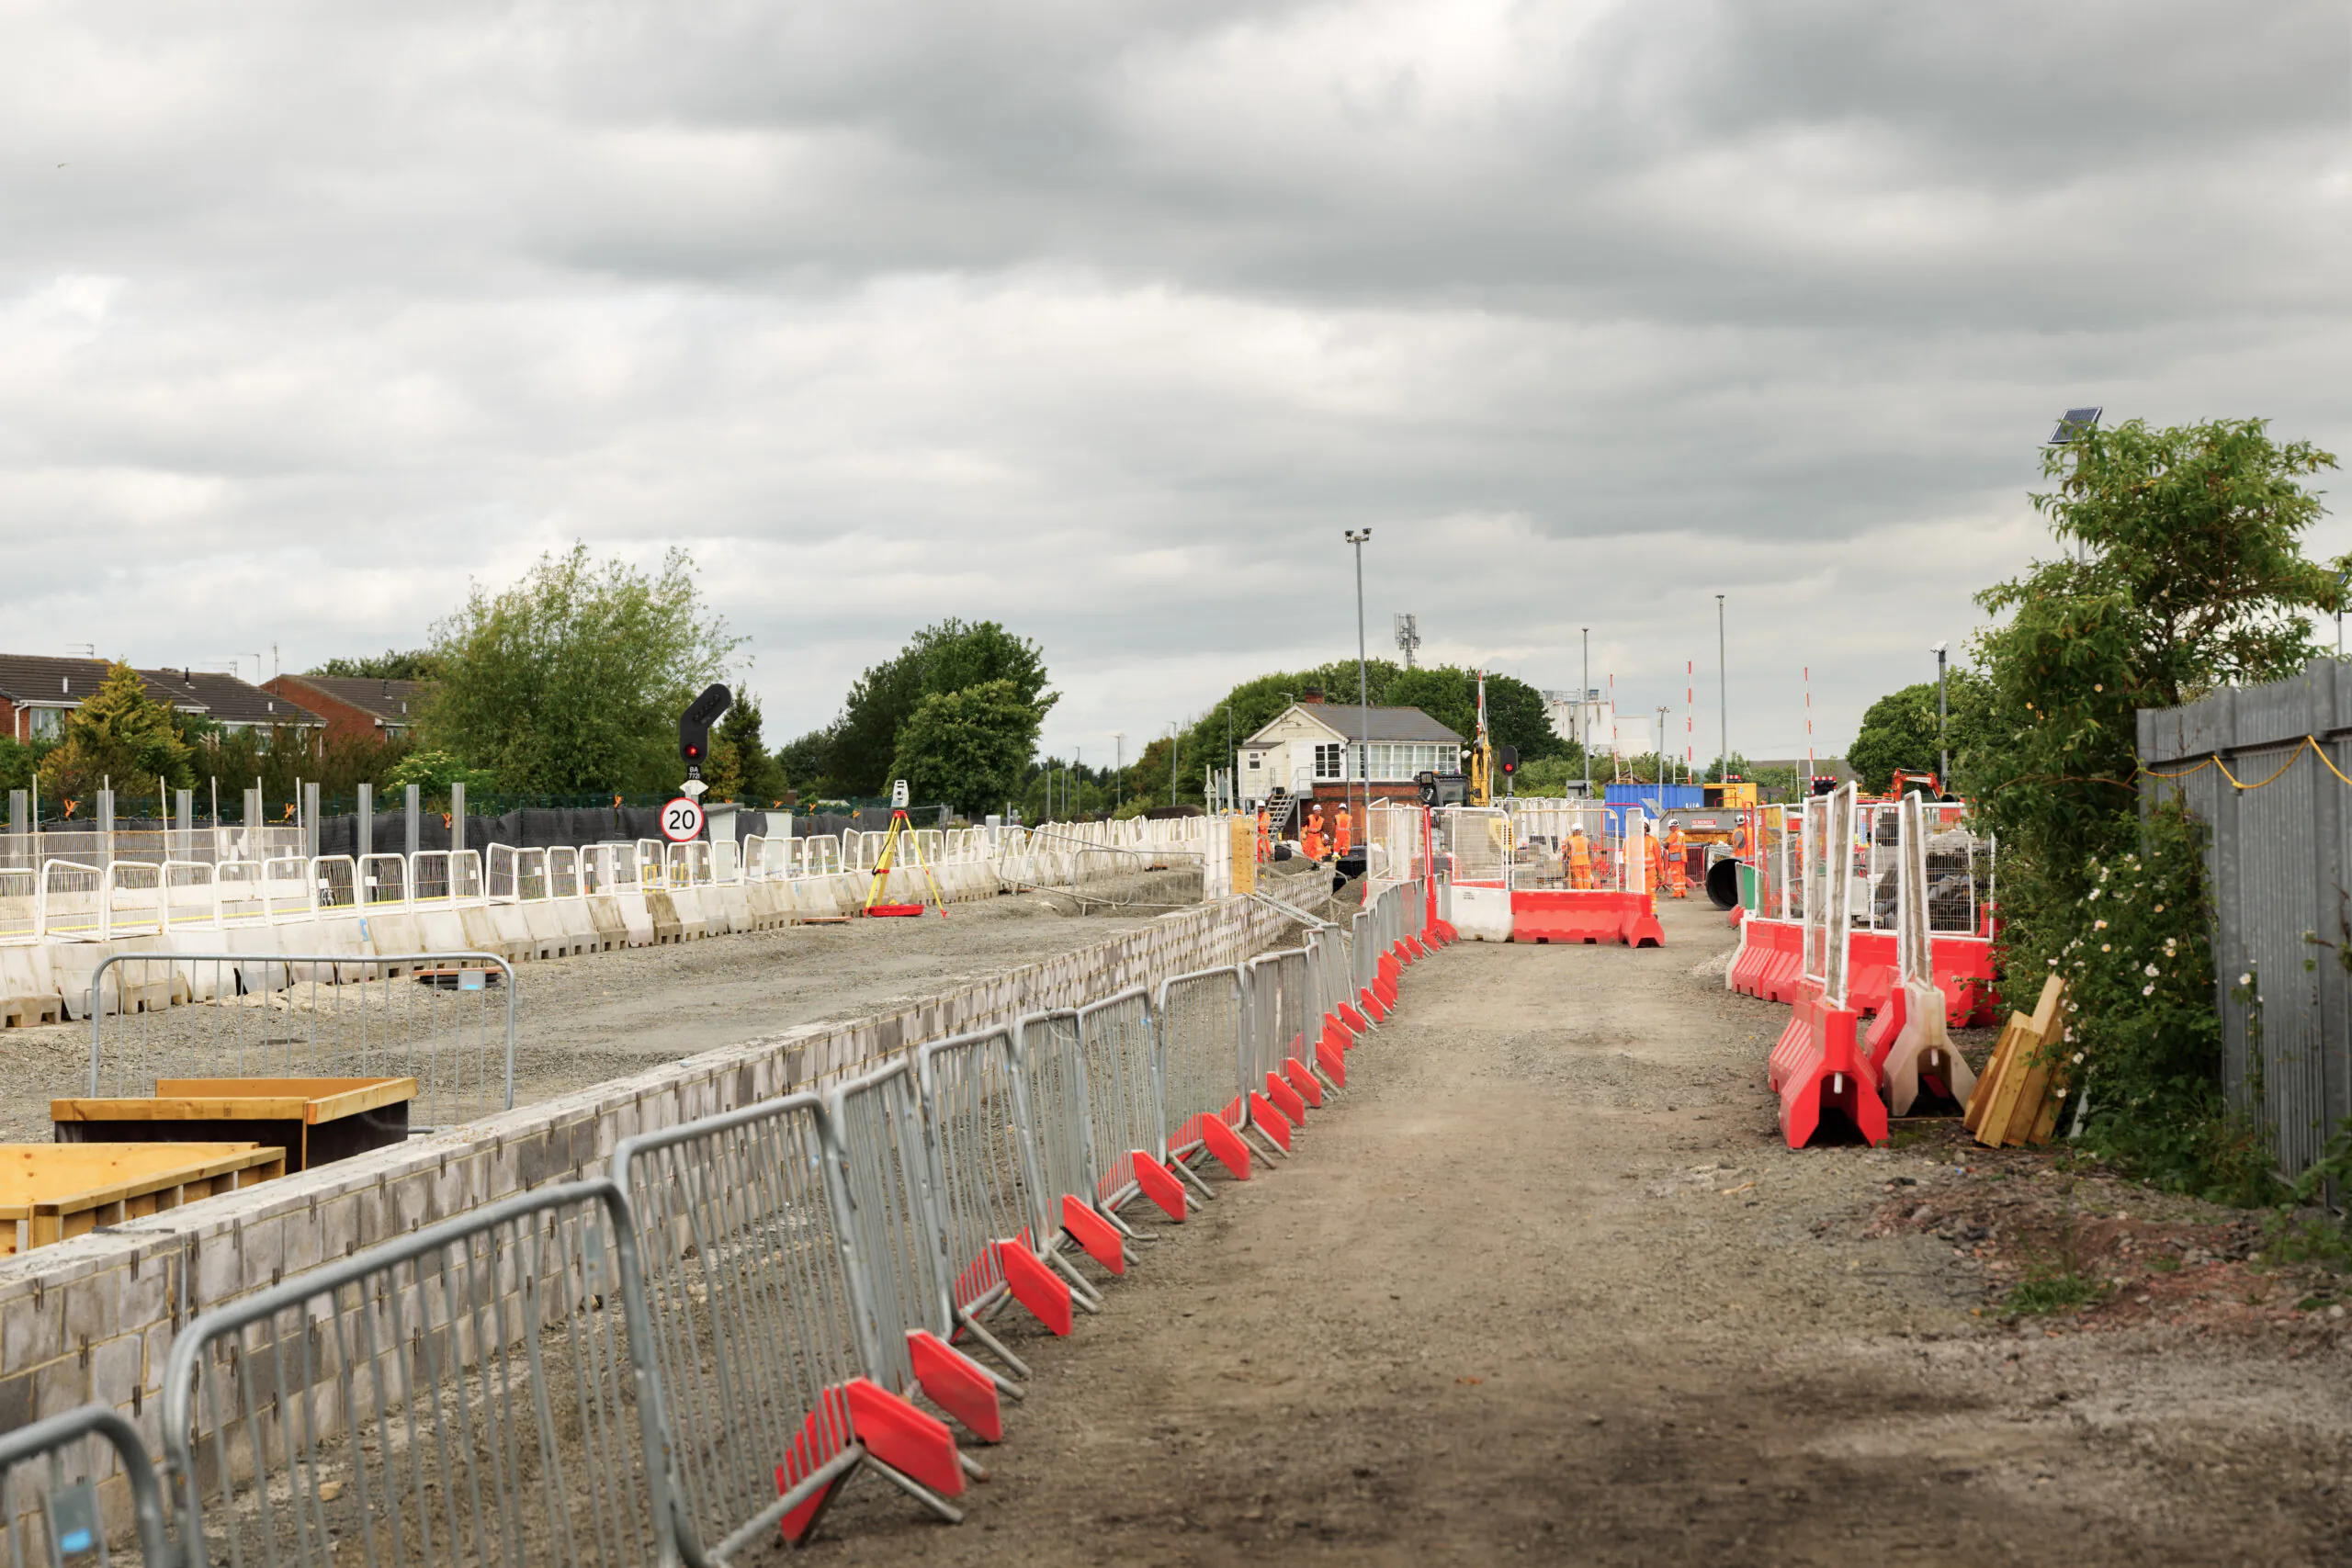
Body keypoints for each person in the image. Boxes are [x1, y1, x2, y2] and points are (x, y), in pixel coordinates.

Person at [1666, 818, 1690, 898]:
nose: (1670, 829)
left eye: (1670, 827)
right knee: (1681, 875)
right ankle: (1683, 892)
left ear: (1673, 826)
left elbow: (1666, 844)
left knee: (1675, 875)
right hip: (1682, 857)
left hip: (1675, 856)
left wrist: (1663, 843)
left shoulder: (1674, 834)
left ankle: (1677, 893)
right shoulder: (1682, 834)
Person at [1566, 825, 1593, 890]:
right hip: (1586, 863)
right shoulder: (1586, 840)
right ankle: (1587, 892)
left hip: (1575, 864)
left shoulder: (1571, 841)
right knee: (1586, 878)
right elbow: (1590, 851)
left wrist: (1564, 859)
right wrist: (1588, 860)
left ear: (1574, 831)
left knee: (1579, 879)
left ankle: (1581, 892)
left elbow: (1567, 852)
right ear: (1581, 831)